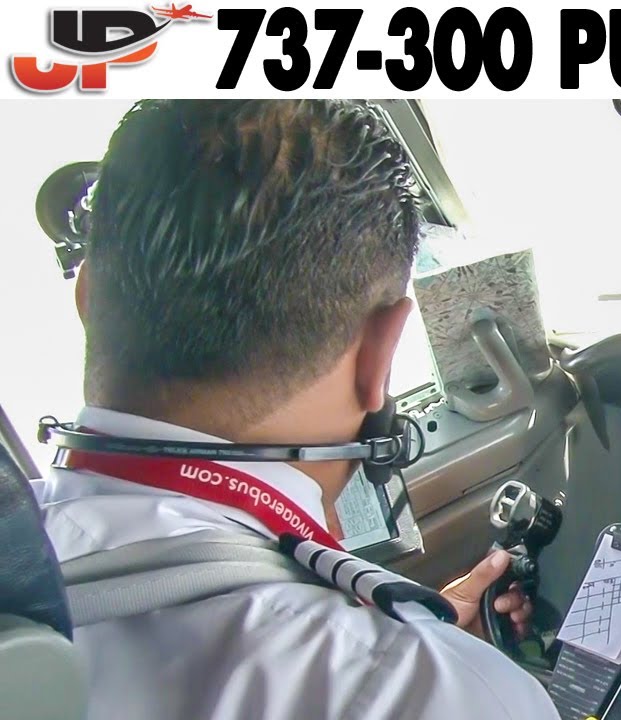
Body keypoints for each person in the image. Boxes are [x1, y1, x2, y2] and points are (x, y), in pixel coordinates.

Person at [37, 100, 561, 719]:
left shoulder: (26, 549)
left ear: (87, 296)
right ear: (381, 356)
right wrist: (451, 677)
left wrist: (422, 651)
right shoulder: (422, 694)